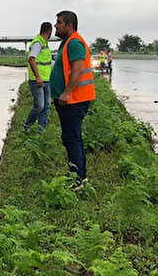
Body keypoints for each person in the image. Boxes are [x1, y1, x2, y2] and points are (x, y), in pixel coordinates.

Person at [50, 10, 95, 188]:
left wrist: (67, 92)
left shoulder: (74, 43)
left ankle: (77, 179)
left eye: (59, 22)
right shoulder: (67, 42)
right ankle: (78, 175)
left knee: (72, 138)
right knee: (72, 137)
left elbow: (77, 71)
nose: (56, 25)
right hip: (70, 100)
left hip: (74, 100)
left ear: (69, 26)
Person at [23, 22, 53, 133]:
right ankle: (27, 126)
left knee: (47, 106)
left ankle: (41, 130)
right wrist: (38, 77)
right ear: (50, 31)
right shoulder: (38, 43)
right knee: (40, 106)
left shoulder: (44, 43)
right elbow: (31, 59)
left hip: (46, 80)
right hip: (38, 80)